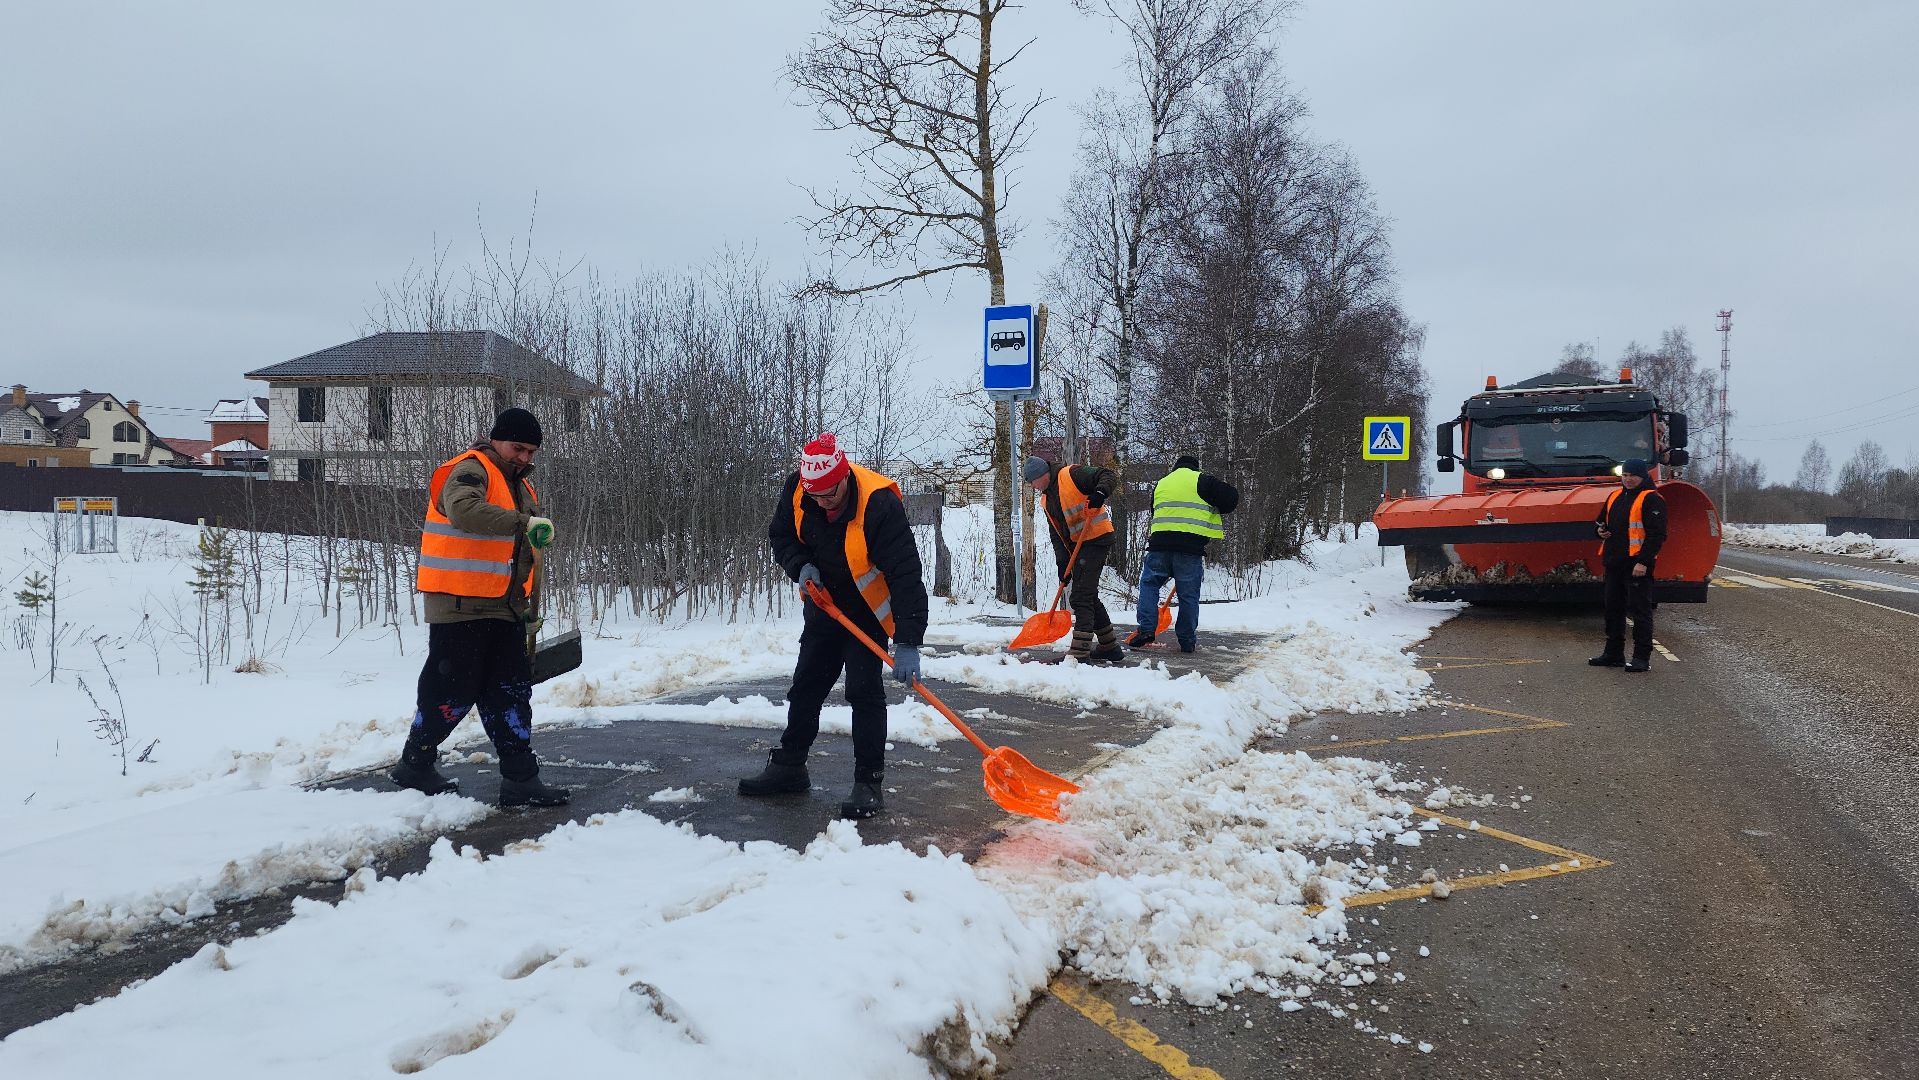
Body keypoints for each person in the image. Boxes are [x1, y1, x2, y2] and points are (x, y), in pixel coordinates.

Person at [741, 433, 929, 819]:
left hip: (865, 613)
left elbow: (906, 573)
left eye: (831, 495)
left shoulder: (878, 504)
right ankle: (791, 766)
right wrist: (801, 567)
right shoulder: (798, 489)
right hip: (824, 605)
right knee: (806, 686)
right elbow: (781, 536)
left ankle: (868, 781)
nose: (824, 502)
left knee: (863, 692)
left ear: (844, 477)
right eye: (817, 497)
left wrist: (909, 641)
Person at [389, 407, 570, 807]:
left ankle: (521, 778)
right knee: (452, 689)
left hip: (501, 608)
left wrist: (523, 604)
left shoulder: (521, 486)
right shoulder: (472, 470)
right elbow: (463, 510)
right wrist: (522, 523)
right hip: (459, 605)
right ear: (497, 439)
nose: (524, 457)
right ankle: (415, 763)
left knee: (510, 693)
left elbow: (516, 554)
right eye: (517, 447)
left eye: (531, 451)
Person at [1128, 455, 1240, 653]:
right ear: (1195, 468)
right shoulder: (1203, 481)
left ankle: (1146, 629)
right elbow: (1231, 499)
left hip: (1159, 546)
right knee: (1188, 595)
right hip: (1189, 550)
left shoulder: (1161, 483)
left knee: (1149, 585)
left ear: (1176, 467)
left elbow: (1156, 511)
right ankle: (1187, 640)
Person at [1026, 455, 1125, 662]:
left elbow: (1107, 475)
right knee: (1087, 595)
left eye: (1032, 481)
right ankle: (1109, 646)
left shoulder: (1071, 474)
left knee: (1080, 597)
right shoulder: (1046, 499)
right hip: (1079, 547)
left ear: (1041, 476)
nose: (1033, 487)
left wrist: (1099, 493)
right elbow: (1057, 534)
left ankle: (1079, 652)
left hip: (1096, 537)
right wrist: (1062, 563)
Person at [1589, 458, 1668, 674]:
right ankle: (1613, 654)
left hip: (1637, 565)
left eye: (1632, 475)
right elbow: (1599, 523)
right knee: (1613, 608)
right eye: (1625, 475)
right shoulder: (1614, 496)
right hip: (1614, 562)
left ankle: (1642, 657)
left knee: (1640, 611)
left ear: (1643, 476)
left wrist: (1643, 561)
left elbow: (1657, 535)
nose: (1628, 479)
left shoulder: (1652, 499)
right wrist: (1600, 531)